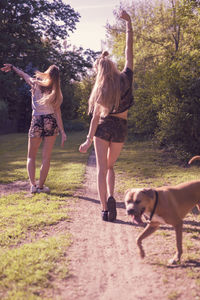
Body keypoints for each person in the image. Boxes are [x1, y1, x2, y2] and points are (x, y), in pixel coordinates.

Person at [79, 10, 133, 222]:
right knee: (110, 166)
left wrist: (87, 140)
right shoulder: (126, 78)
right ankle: (111, 196)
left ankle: (104, 209)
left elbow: (95, 118)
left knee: (101, 169)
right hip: (121, 127)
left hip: (103, 128)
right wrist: (128, 23)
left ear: (100, 72)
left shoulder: (100, 89)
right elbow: (129, 51)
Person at [1, 64, 67, 194]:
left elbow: (24, 75)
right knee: (46, 157)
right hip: (50, 121)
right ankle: (41, 187)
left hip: (36, 120)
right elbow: (57, 113)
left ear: (47, 73)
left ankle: (33, 185)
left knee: (31, 156)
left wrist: (13, 67)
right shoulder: (57, 92)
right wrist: (63, 132)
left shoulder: (35, 84)